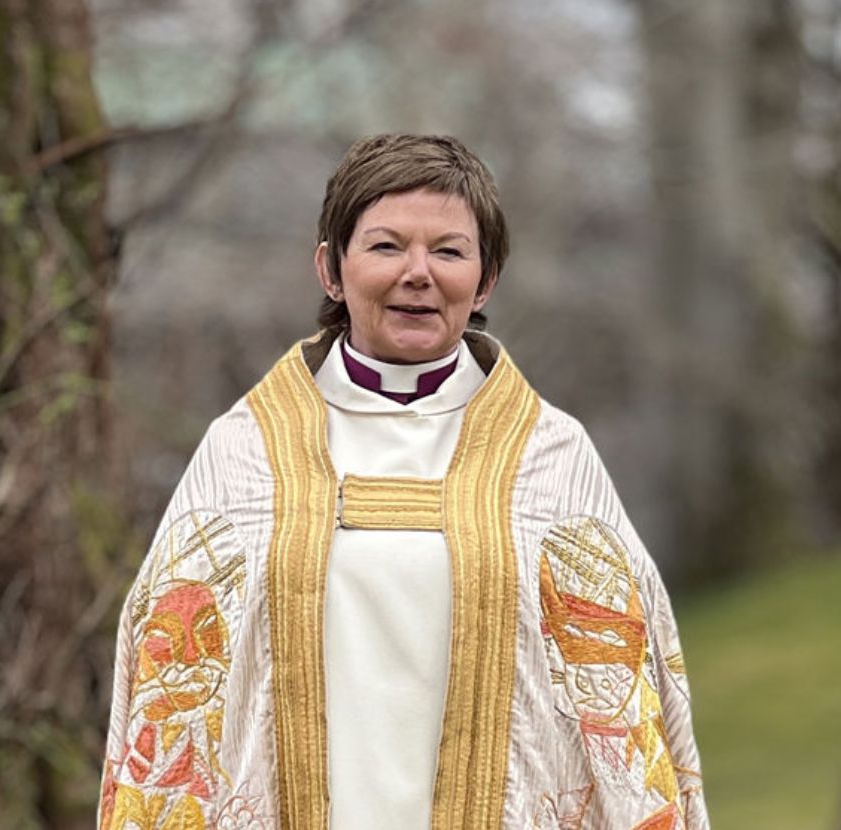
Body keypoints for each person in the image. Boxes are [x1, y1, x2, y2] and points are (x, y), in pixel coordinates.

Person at [99, 135, 708, 830]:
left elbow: (623, 708)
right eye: (386, 246)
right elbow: (172, 695)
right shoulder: (245, 455)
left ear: (486, 280)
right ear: (331, 268)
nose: (418, 273)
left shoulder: (551, 458)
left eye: (448, 251)